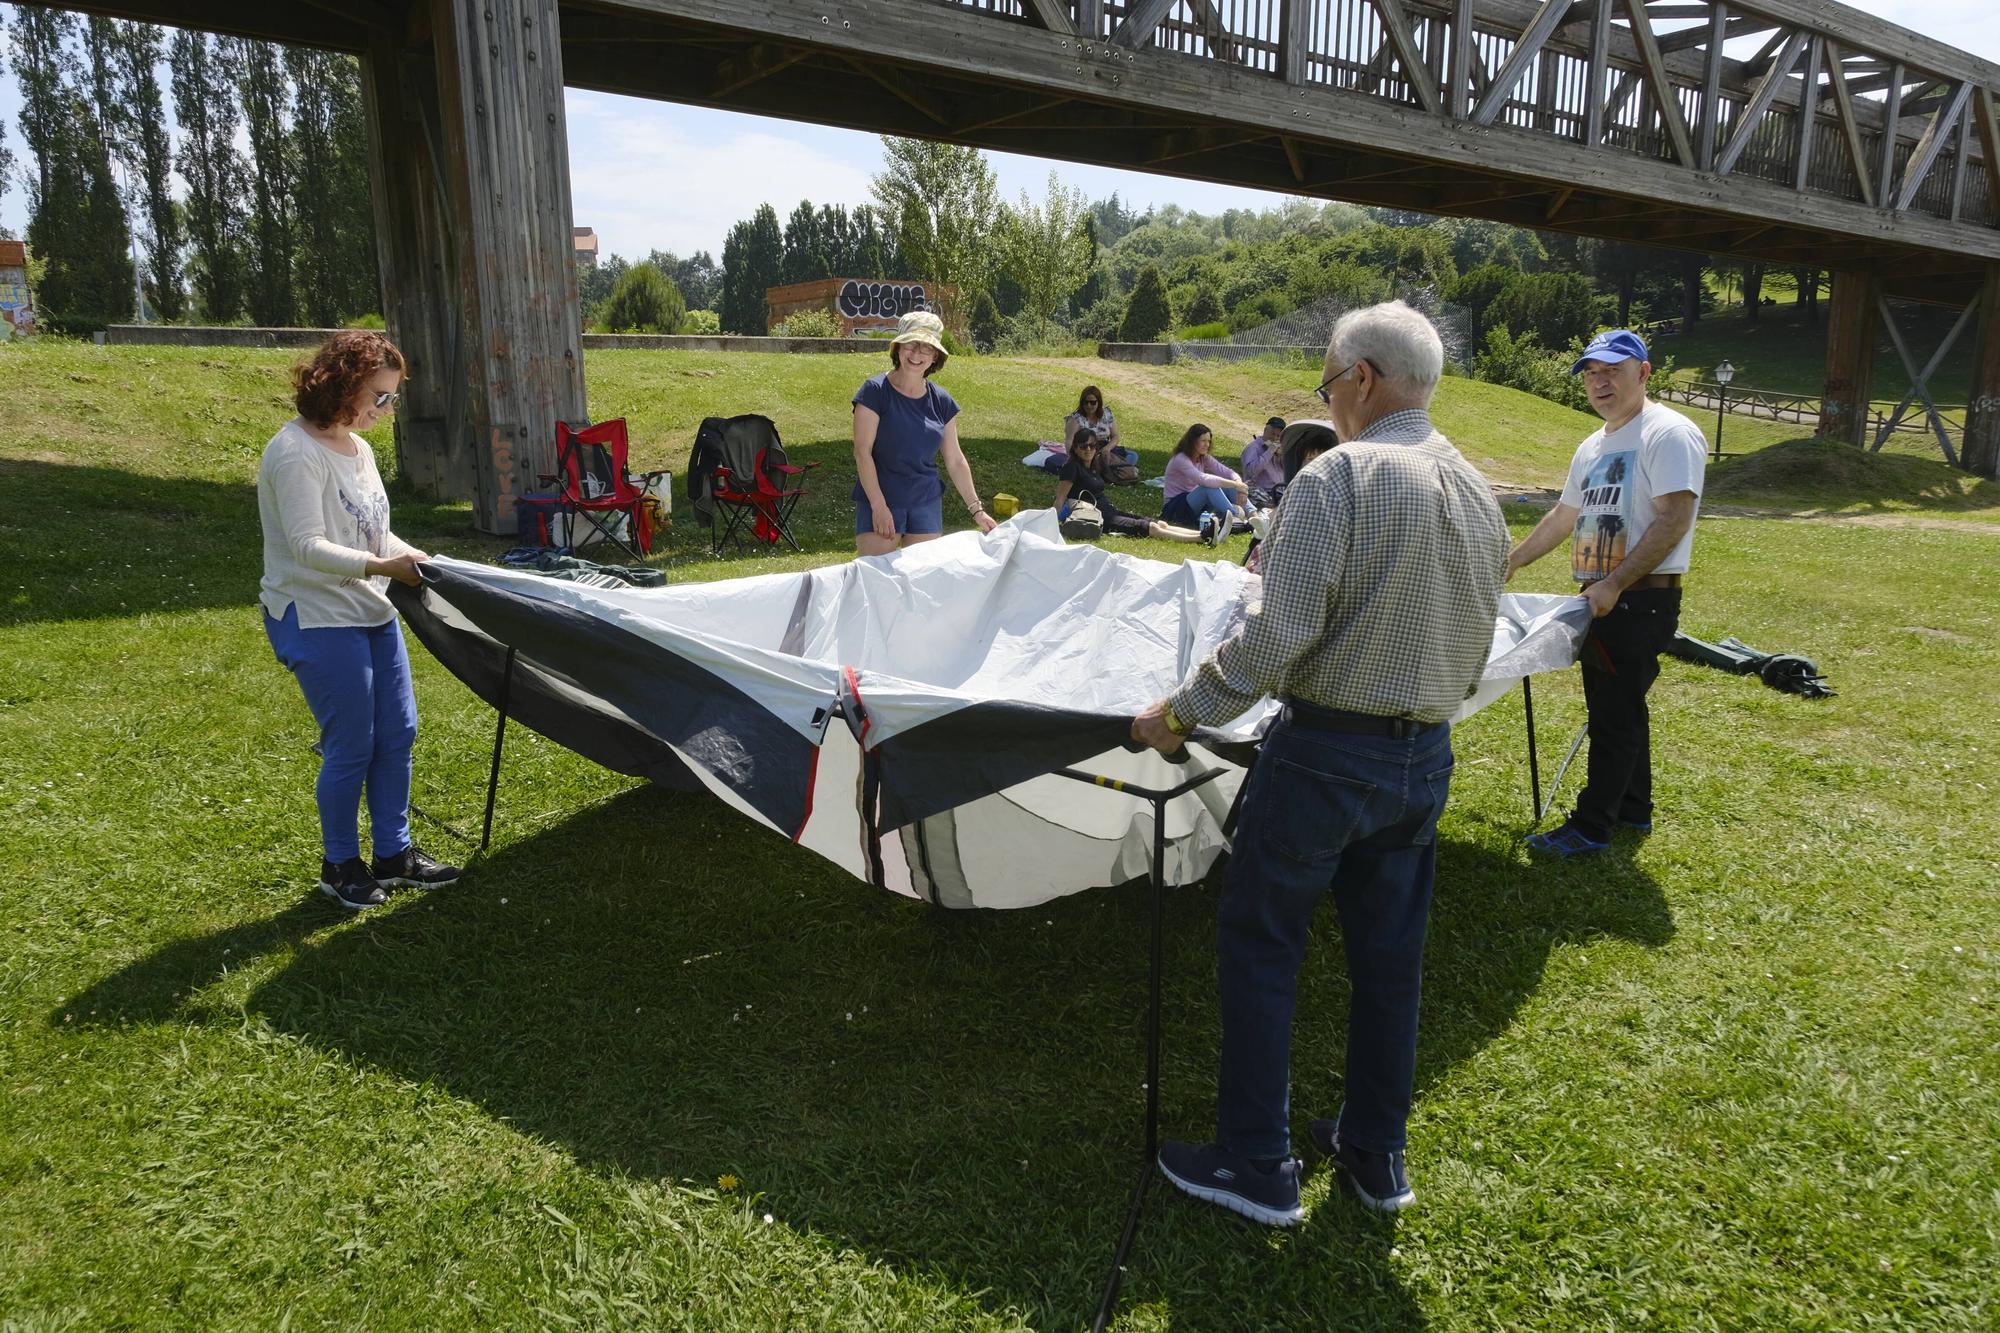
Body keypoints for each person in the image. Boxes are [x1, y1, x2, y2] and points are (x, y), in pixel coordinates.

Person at [1132, 301, 1508, 1224]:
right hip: (1425, 758)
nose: (1329, 401)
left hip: (1325, 754)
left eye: (1330, 383)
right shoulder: (1476, 487)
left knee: (1262, 946)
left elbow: (1275, 636)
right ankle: (1377, 1154)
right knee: (1392, 963)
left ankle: (1258, 1161)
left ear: (1365, 380)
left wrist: (1180, 714)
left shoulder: (1339, 476)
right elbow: (1478, 636)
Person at [258, 330, 461, 911]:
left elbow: (372, 530)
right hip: (316, 616)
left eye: (392, 398)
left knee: (397, 734)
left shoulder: (360, 448)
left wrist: (413, 557)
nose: (385, 409)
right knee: (351, 745)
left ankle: (394, 855)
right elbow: (306, 546)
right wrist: (383, 565)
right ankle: (340, 865)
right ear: (343, 384)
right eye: (380, 395)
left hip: (370, 612)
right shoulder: (295, 451)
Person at [1506, 328, 1706, 856]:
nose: (1600, 383)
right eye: (1592, 373)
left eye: (1612, 371)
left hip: (1640, 598)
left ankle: (1591, 826)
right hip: (1603, 597)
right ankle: (1633, 809)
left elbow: (1675, 518)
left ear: (1643, 373)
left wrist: (1617, 582)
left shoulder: (1668, 433)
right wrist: (1513, 561)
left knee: (1613, 714)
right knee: (1620, 706)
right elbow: (1563, 516)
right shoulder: (1593, 445)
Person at [852, 310, 998, 556]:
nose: (917, 353)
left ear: (936, 357)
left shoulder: (942, 400)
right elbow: (862, 452)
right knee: (875, 584)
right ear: (898, 348)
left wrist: (977, 510)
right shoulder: (874, 392)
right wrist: (878, 505)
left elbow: (955, 460)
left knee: (921, 585)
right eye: (911, 344)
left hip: (926, 504)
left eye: (926, 347)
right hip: (881, 501)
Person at [1053, 430, 1205, 544]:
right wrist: (1050, 521)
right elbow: (1060, 498)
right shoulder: (1071, 467)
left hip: (1109, 511)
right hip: (1097, 518)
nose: (1088, 450)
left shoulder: (1093, 466)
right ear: (1075, 448)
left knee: (1156, 522)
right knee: (1149, 527)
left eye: (1092, 446)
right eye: (1083, 446)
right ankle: (1200, 538)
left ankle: (1204, 533)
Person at [1161, 423, 1251, 542]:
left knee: (1229, 485)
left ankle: (1254, 515)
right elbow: (1202, 478)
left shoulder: (1203, 457)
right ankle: (1236, 517)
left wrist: (1240, 485)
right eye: (1203, 441)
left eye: (1208, 441)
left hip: (1193, 501)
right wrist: (1235, 485)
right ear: (1193, 441)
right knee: (1209, 486)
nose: (1207, 445)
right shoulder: (1180, 459)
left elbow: (1227, 472)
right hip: (1176, 506)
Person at [1063, 385, 1136, 473]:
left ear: (1099, 402)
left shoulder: (1106, 413)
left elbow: (1115, 436)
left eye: (1093, 402)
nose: (1089, 405)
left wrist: (1107, 448)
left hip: (1105, 447)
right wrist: (1072, 458)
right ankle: (1111, 470)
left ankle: (1109, 469)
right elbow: (1069, 440)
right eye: (1086, 402)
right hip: (1087, 449)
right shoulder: (1076, 418)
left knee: (1132, 455)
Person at [1241, 416, 1288, 500]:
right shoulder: (1253, 448)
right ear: (1265, 430)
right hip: (1264, 493)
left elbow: (1290, 471)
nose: (1274, 438)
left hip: (1282, 491)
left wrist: (1283, 455)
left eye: (1278, 436)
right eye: (1272, 434)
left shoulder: (1279, 449)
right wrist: (1270, 452)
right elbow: (1250, 472)